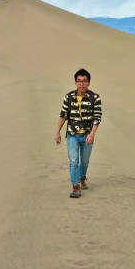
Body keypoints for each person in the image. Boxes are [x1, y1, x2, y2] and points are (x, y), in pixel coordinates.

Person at [55, 69, 102, 198]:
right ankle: (76, 186)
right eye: (79, 81)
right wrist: (57, 132)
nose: (82, 84)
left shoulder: (94, 97)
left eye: (84, 81)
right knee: (73, 160)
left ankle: (82, 177)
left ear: (89, 82)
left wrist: (92, 134)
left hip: (87, 134)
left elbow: (97, 117)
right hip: (72, 134)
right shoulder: (69, 97)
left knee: (85, 161)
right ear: (75, 82)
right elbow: (63, 115)